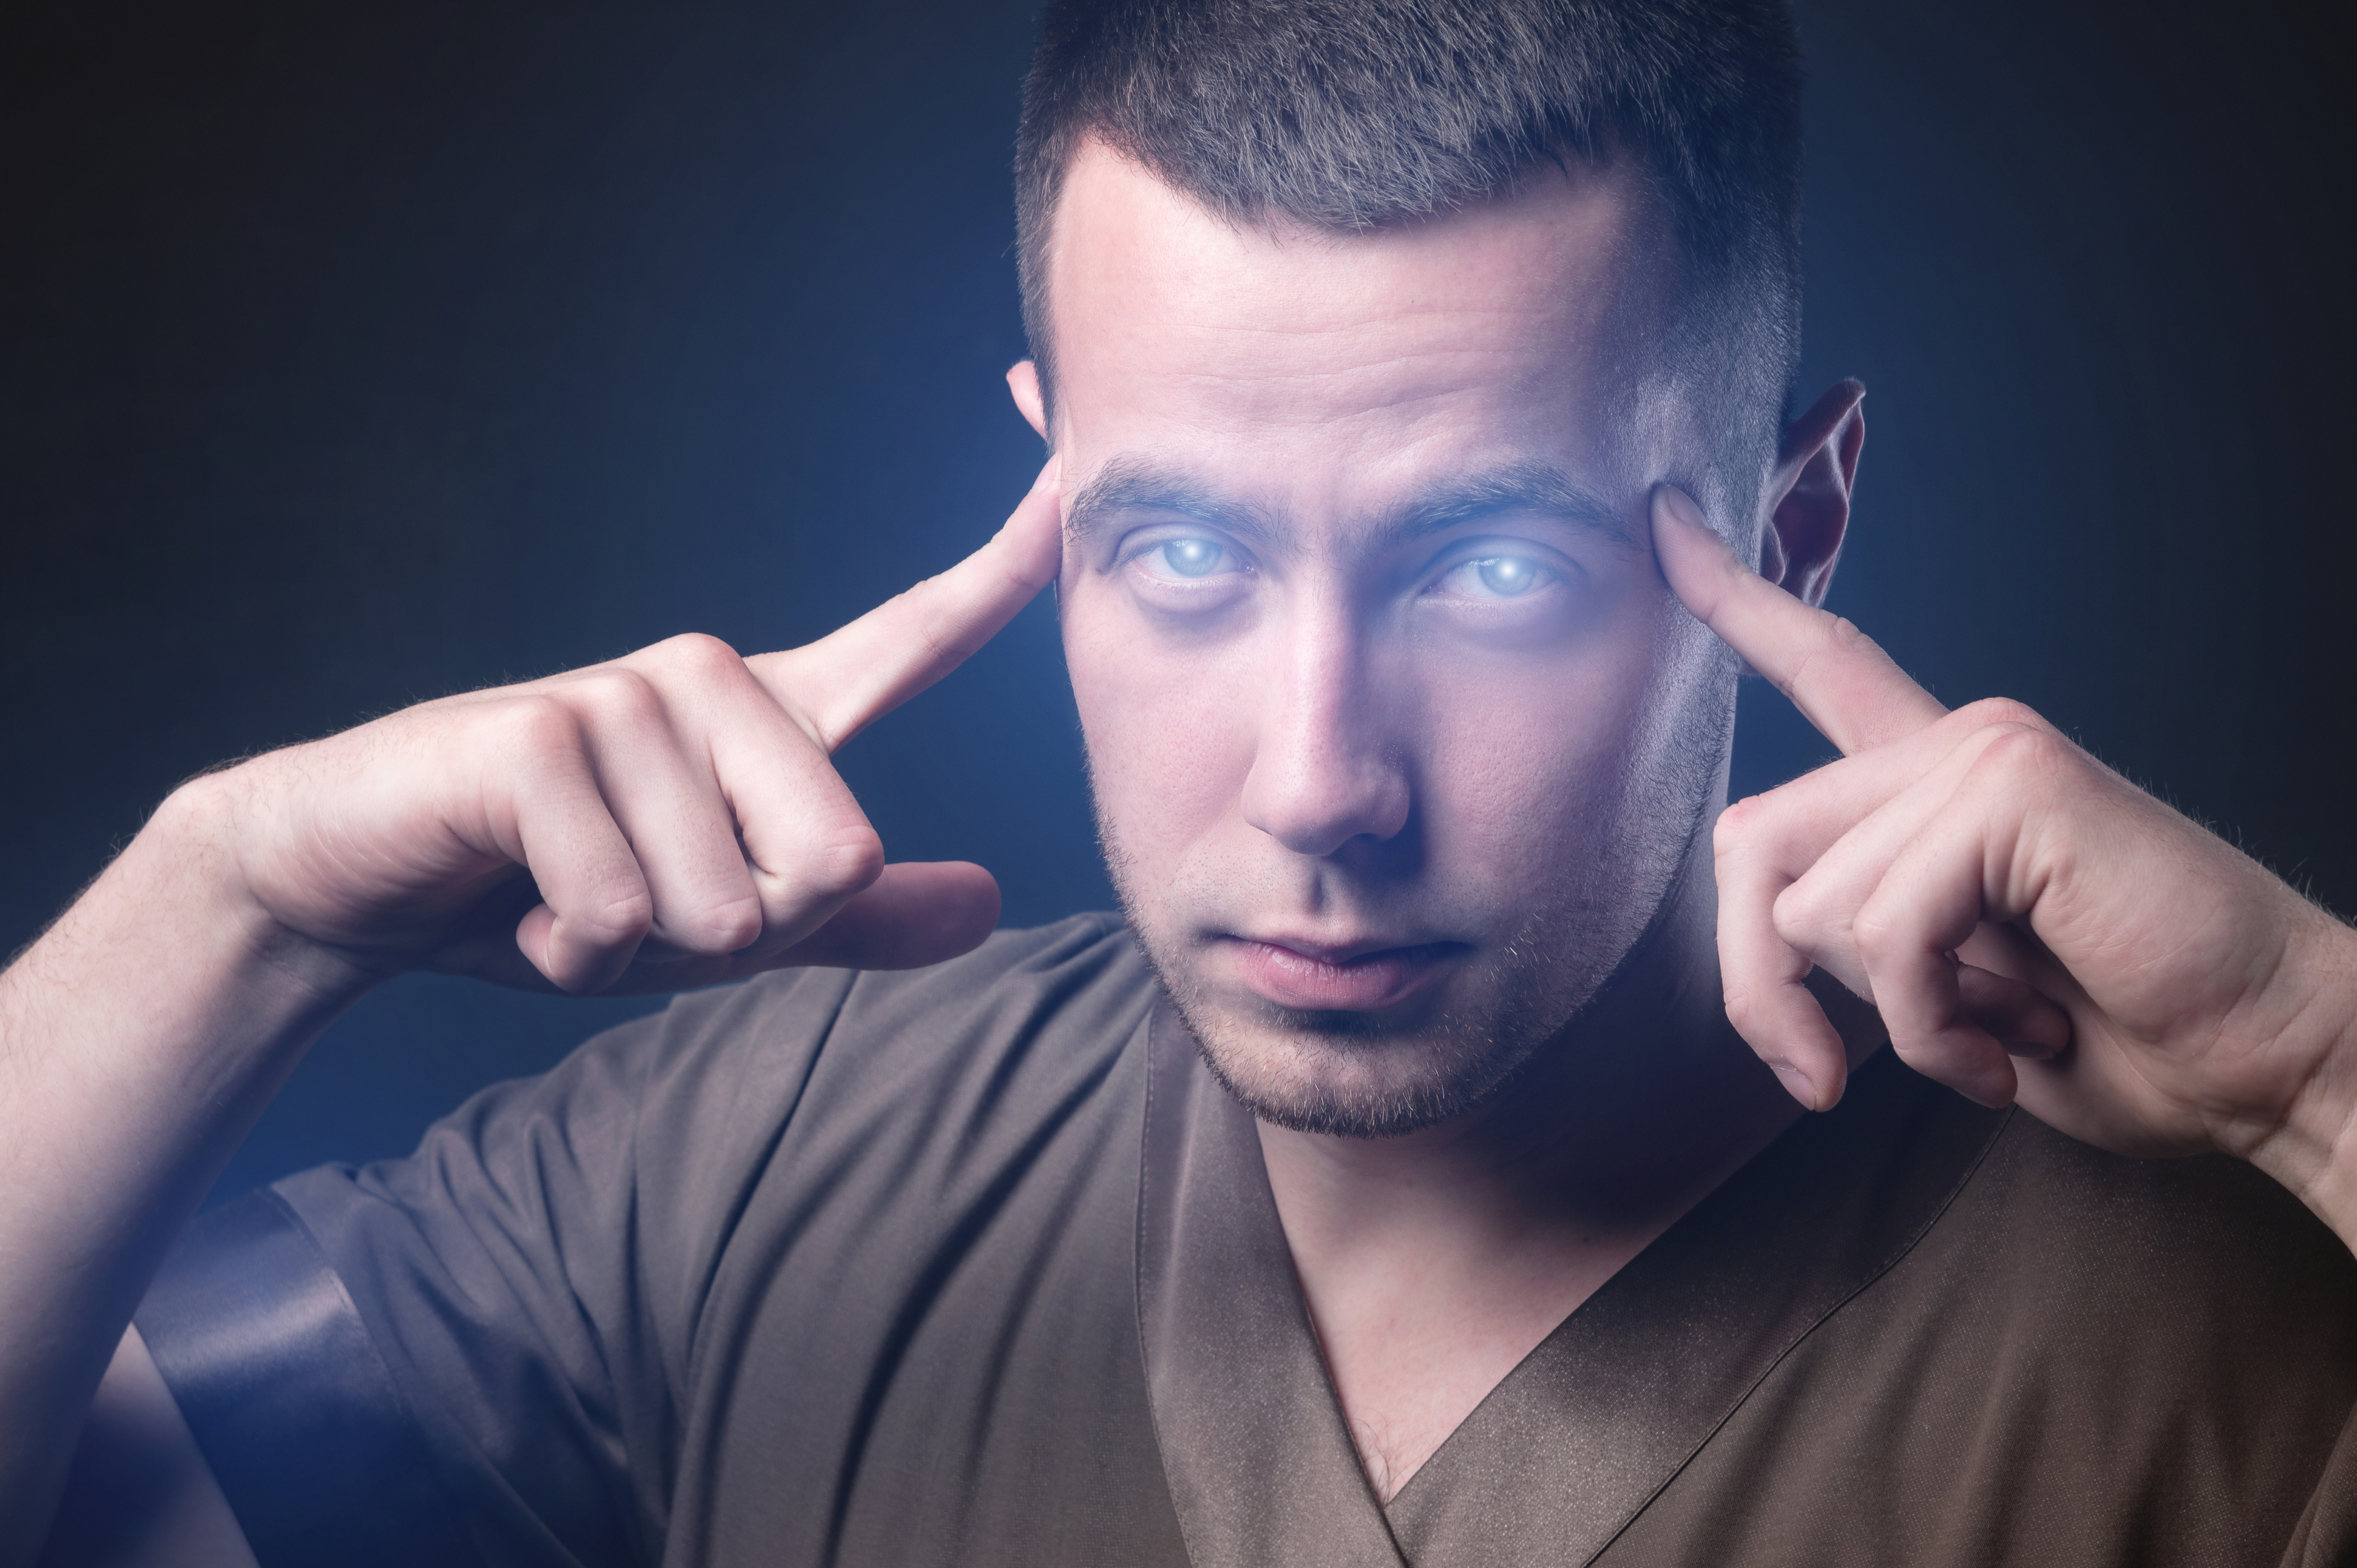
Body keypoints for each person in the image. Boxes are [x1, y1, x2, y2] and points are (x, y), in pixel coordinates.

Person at [10, 0, 2357, 1562]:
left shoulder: (2236, 1341)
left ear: (1793, 520)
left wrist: (2328, 1071)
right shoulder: (765, 1160)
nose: (1319, 776)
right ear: (1050, 492)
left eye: (1497, 566)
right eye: (1184, 549)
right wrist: (227, 913)